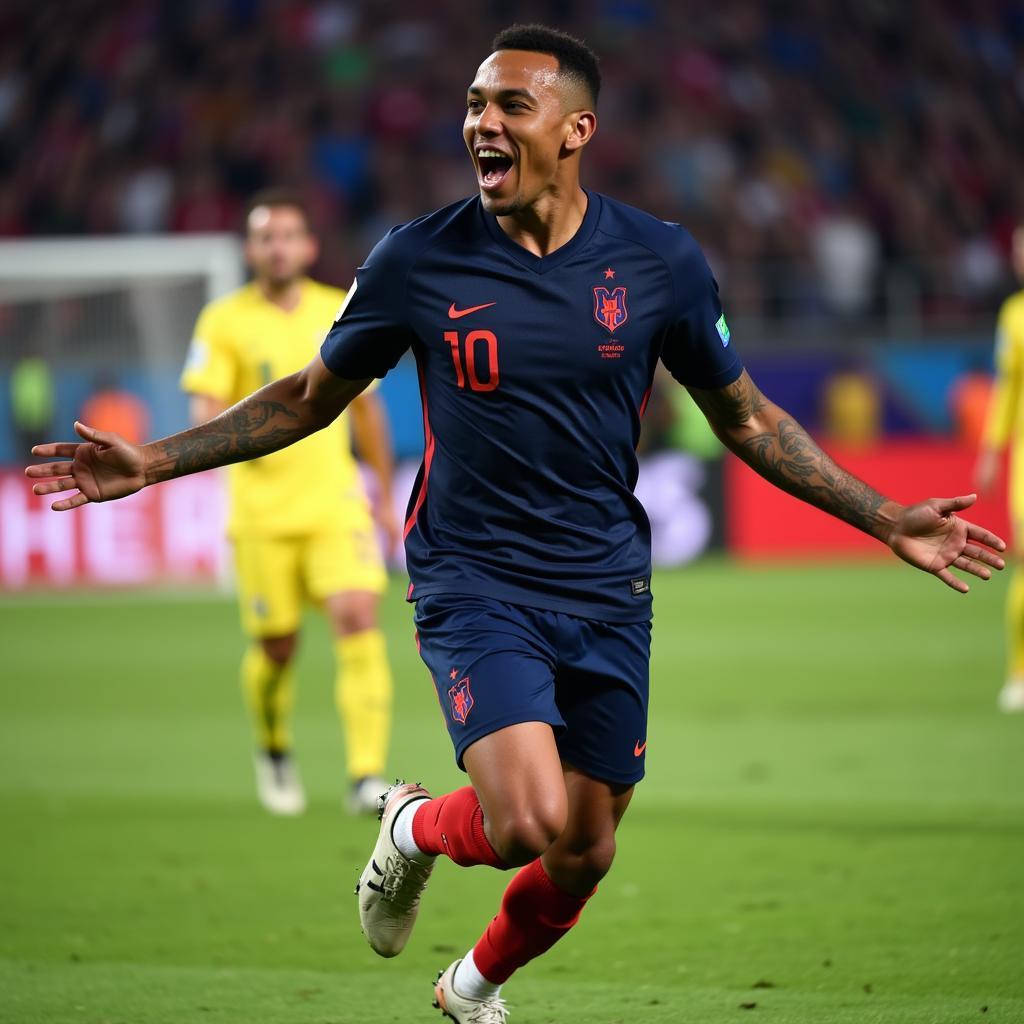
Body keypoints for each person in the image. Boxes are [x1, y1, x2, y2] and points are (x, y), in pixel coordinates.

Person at [27, 25, 1006, 1024]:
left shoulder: (659, 260)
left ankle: (470, 985)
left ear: (576, 129)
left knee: (586, 847)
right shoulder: (417, 259)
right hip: (472, 575)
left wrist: (885, 516)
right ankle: (410, 826)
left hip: (608, 583)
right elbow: (309, 396)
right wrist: (156, 458)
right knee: (530, 818)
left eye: (509, 106)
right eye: (472, 105)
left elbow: (745, 416)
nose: (481, 124)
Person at [180, 188, 401, 815]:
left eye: (288, 235)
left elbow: (367, 411)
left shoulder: (340, 310)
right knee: (277, 648)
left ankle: (365, 776)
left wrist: (384, 498)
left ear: (309, 246)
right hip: (262, 516)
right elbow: (204, 408)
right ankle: (273, 745)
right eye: (265, 236)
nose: (277, 247)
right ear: (251, 250)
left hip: (334, 505)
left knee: (359, 618)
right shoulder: (223, 322)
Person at [976, 222, 1024, 713]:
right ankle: (1019, 671)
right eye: (1016, 248)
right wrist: (992, 450)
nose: (1019, 256)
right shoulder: (1014, 315)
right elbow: (1008, 390)